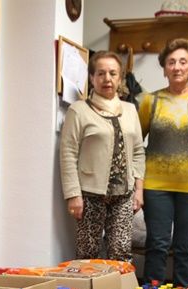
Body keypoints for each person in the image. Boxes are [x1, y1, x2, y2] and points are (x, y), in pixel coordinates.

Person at [139, 38, 188, 287]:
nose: (177, 67)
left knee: (185, 247)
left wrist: (185, 163)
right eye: (171, 62)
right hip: (155, 186)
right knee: (157, 245)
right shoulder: (150, 101)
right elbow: (137, 140)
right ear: (164, 68)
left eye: (183, 61)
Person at [60, 51, 145, 261]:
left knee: (121, 252)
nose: (107, 79)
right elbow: (68, 153)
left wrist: (139, 190)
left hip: (124, 194)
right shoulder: (78, 111)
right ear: (92, 78)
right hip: (89, 194)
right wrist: (73, 195)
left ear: (119, 78)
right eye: (101, 73)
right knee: (87, 254)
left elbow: (138, 151)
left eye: (113, 73)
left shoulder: (130, 110)